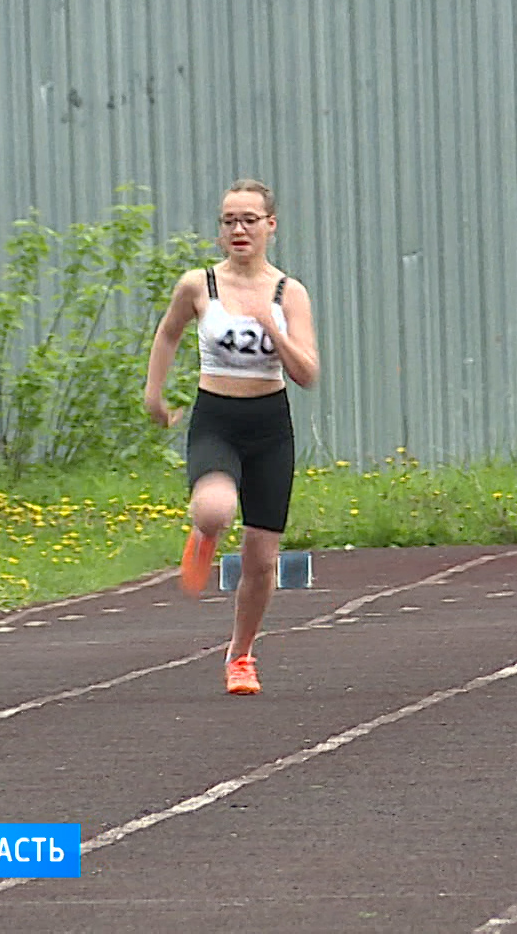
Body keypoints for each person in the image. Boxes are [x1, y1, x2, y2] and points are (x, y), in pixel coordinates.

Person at [143, 179, 320, 696]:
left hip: (270, 424)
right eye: (229, 221)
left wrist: (275, 328)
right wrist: (155, 395)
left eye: (249, 219)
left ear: (271, 226)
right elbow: (169, 332)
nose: (238, 229)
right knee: (216, 509)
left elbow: (308, 374)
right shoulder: (199, 285)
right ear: (220, 232)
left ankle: (241, 655)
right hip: (217, 416)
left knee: (262, 560)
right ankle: (203, 534)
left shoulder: (291, 292)